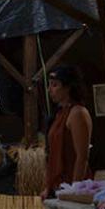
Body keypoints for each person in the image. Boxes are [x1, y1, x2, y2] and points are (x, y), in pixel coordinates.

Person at [41, 66, 92, 199]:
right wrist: (49, 186)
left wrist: (74, 190)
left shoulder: (77, 113)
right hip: (59, 187)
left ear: (67, 87)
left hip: (73, 185)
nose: (49, 90)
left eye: (55, 85)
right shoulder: (60, 114)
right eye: (49, 85)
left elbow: (82, 156)